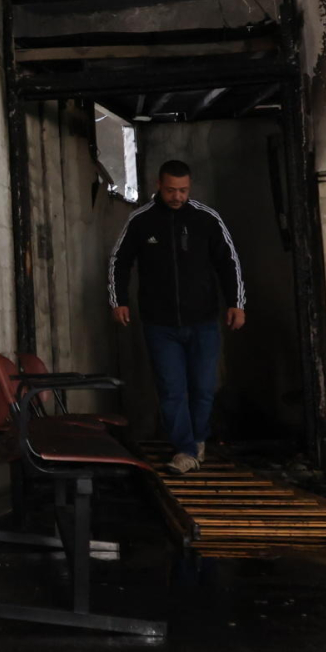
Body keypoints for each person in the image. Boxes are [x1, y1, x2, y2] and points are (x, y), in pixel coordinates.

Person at [107, 159, 245, 473]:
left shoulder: (207, 219)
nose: (177, 196)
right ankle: (184, 450)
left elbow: (229, 263)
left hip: (204, 322)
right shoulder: (140, 220)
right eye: (171, 190)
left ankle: (197, 441)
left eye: (183, 190)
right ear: (159, 185)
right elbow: (120, 260)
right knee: (171, 389)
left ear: (189, 187)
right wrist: (120, 300)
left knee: (203, 387)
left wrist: (237, 303)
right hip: (159, 324)